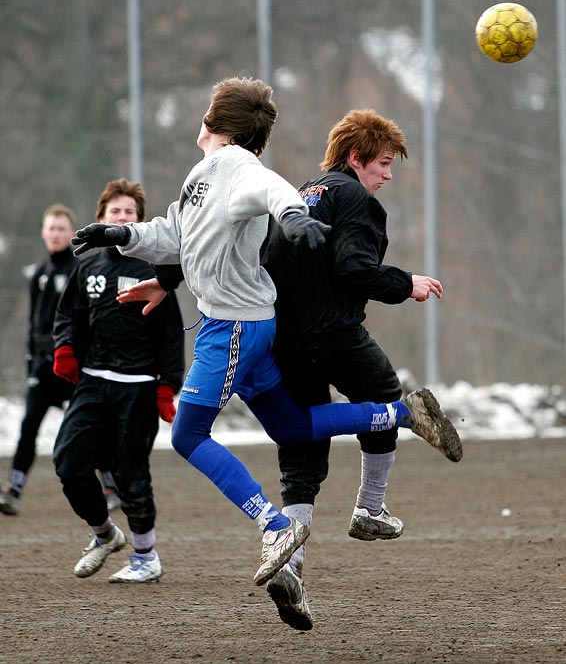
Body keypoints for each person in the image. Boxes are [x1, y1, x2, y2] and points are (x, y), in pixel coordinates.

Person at [71, 77, 461, 588]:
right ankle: (401, 413)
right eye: (384, 164)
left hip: (234, 326)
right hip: (247, 325)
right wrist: (123, 236)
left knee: (188, 435)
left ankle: (276, 525)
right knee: (294, 428)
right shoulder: (205, 173)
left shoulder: (239, 168)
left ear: (213, 121)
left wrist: (294, 214)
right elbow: (176, 234)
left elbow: (270, 188)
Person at [260, 109, 459, 630]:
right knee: (390, 399)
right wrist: (405, 283)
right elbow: (353, 269)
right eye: (384, 164)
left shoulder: (301, 193)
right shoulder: (357, 199)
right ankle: (370, 508)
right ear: (356, 158)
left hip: (284, 339)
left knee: (303, 447)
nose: (387, 176)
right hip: (334, 333)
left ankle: (291, 562)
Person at [52, 178, 185, 583]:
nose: (122, 217)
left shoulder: (154, 271)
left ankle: (146, 557)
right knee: (68, 462)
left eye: (129, 213)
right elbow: (68, 316)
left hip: (138, 387)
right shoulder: (87, 265)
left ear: (139, 222)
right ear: (101, 219)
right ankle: (105, 534)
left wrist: (167, 387)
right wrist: (65, 349)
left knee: (131, 474)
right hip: (93, 383)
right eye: (115, 212)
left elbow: (170, 333)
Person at [0, 205, 77, 516]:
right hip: (43, 368)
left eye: (62, 228)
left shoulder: (79, 270)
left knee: (87, 427)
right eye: (51, 228)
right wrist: (32, 360)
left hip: (73, 366)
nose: (56, 234)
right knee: (28, 425)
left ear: (71, 234)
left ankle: (110, 487)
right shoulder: (39, 275)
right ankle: (14, 488)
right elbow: (34, 323)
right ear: (44, 234)